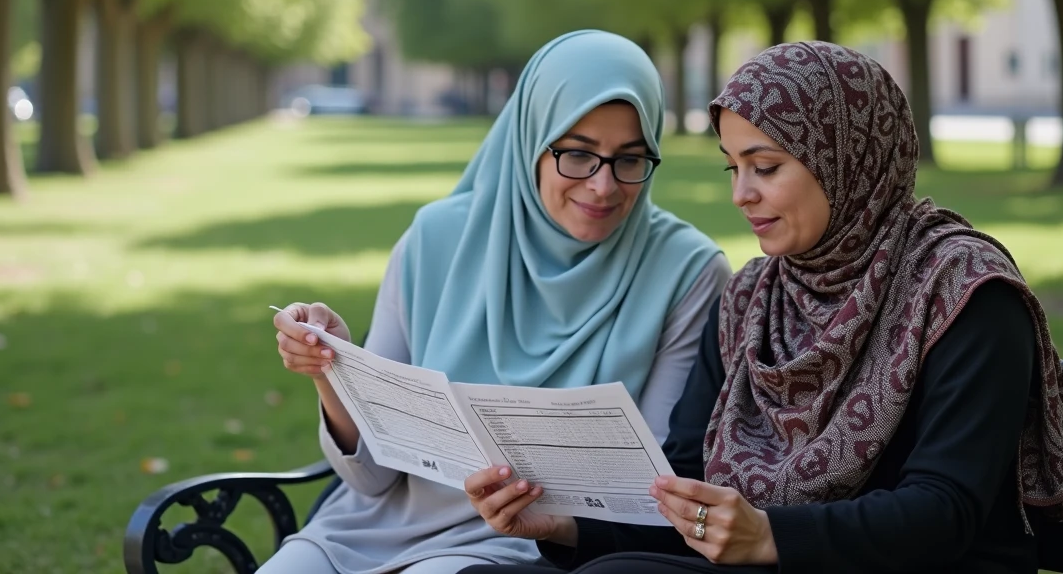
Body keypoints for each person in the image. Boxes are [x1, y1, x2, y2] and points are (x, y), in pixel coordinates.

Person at [462, 41, 1063, 574]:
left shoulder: (961, 290)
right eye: (732, 166)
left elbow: (945, 509)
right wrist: (566, 525)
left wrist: (769, 535)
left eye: (765, 166)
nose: (741, 194)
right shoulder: (752, 300)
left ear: (844, 160)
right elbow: (684, 490)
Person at [261, 30, 730, 574]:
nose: (603, 186)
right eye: (577, 154)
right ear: (531, 139)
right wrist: (332, 369)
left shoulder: (688, 271)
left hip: (532, 547)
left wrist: (550, 521)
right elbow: (371, 479)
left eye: (630, 159)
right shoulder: (435, 239)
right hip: (369, 528)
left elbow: (646, 493)